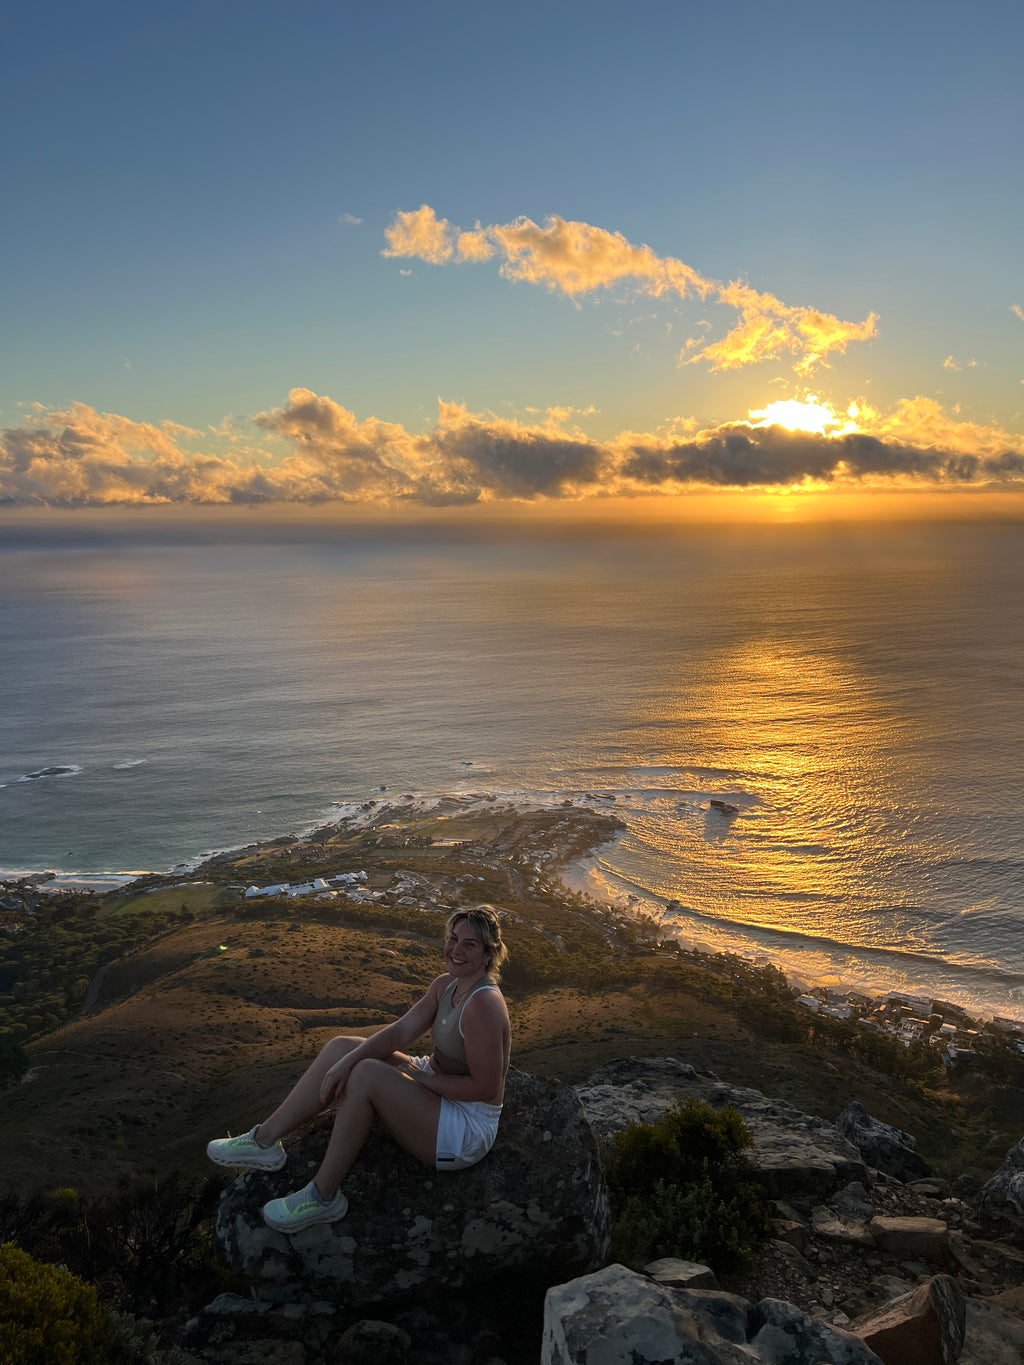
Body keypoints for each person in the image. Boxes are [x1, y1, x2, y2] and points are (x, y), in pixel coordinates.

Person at [207, 905, 511, 1233]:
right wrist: (344, 1063)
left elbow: (485, 1089)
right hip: (435, 1085)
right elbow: (400, 1031)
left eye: (470, 944)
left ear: (489, 954)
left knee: (365, 1074)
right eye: (453, 939)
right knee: (342, 1047)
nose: (456, 950)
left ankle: (322, 1197)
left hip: (465, 1125)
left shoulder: (483, 1005)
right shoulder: (445, 986)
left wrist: (421, 1078)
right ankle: (263, 1142)